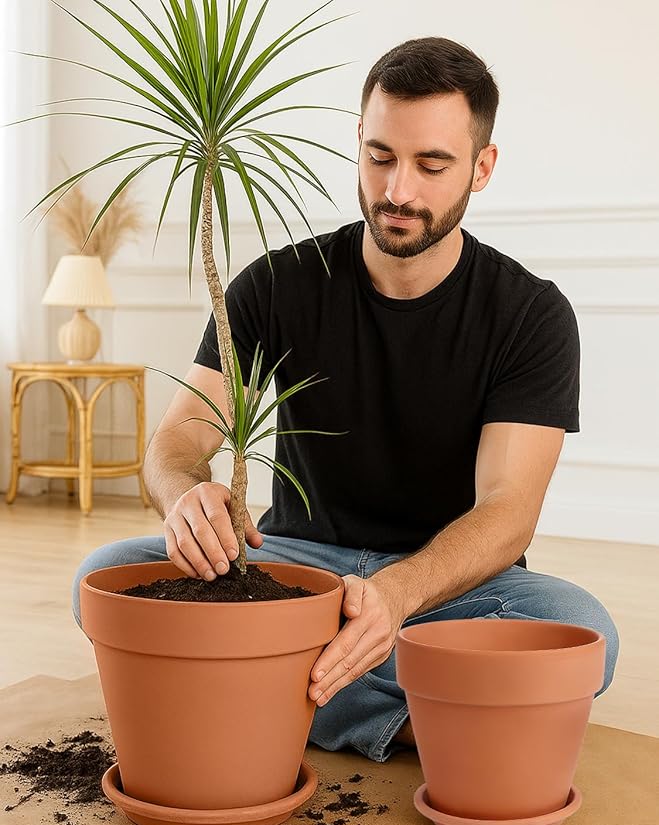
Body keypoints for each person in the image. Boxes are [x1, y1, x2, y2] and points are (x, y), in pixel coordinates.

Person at [72, 37, 619, 763]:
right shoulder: (275, 285)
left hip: (441, 585)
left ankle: (260, 688)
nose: (398, 190)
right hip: (295, 570)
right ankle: (416, 715)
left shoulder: (530, 314)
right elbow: (179, 443)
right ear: (358, 142)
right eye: (379, 156)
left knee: (585, 631)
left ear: (482, 167)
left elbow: (507, 512)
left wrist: (397, 592)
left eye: (431, 166)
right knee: (101, 575)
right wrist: (183, 494)